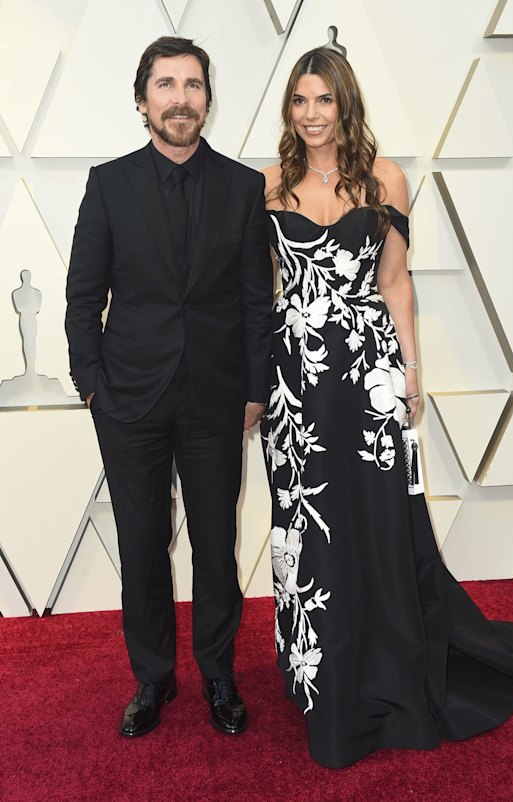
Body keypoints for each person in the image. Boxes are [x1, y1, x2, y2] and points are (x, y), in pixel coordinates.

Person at [260, 46, 513, 769]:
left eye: (325, 100)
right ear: (290, 108)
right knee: (308, 521)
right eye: (301, 100)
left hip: (369, 372)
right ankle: (318, 665)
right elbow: (261, 291)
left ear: (347, 104)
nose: (312, 115)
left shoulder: (386, 179)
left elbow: (397, 283)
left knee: (375, 518)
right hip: (298, 383)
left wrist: (411, 373)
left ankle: (383, 657)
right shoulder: (268, 184)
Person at [65, 36, 273, 739]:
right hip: (129, 399)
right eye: (165, 84)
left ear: (208, 98)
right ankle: (153, 677)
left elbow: (255, 301)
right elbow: (81, 297)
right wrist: (92, 385)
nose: (180, 97)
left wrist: (254, 387)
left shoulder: (245, 189)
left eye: (192, 85)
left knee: (216, 545)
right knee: (143, 543)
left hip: (217, 400)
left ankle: (218, 673)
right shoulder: (109, 184)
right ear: (142, 98)